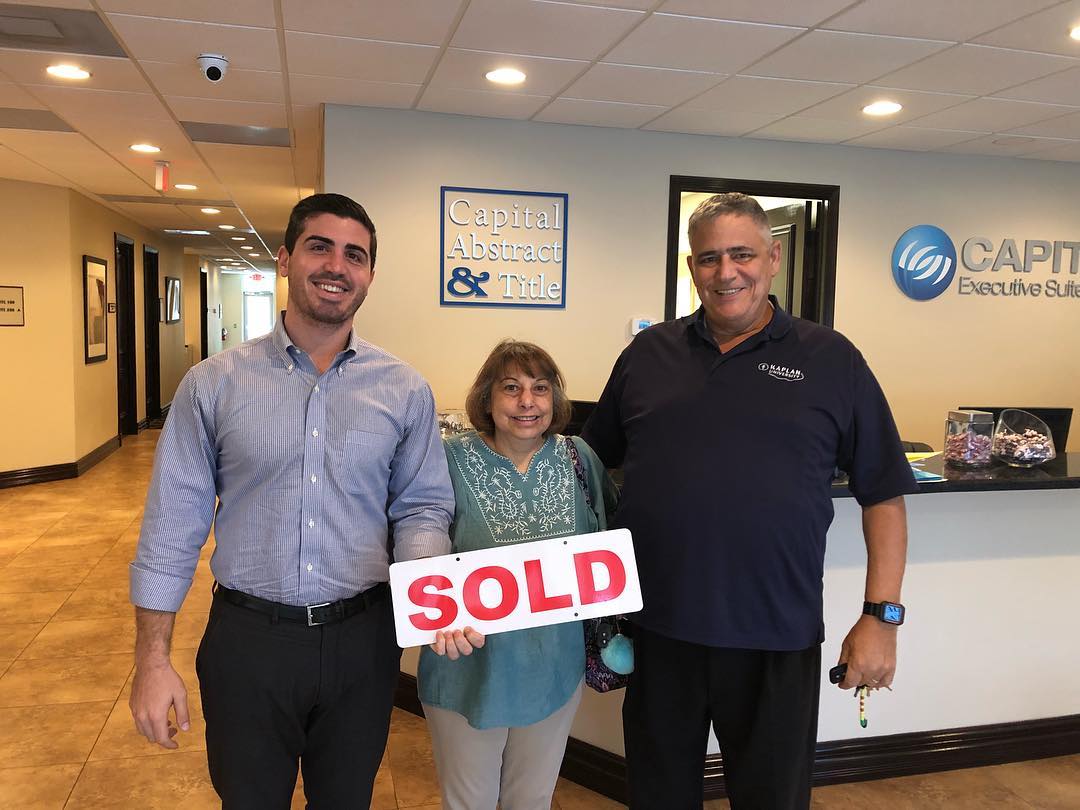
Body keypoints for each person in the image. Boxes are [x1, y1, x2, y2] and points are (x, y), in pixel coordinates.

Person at [128, 193, 469, 809]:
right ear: (285, 259)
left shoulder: (403, 389)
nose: (336, 265)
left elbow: (421, 507)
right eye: (320, 246)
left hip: (363, 643)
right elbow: (172, 525)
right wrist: (152, 660)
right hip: (249, 641)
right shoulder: (214, 384)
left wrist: (428, 585)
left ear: (369, 274)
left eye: (355, 255)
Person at [581, 193, 917, 809]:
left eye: (742, 254)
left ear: (775, 257)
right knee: (657, 797)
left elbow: (883, 494)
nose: (726, 271)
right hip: (659, 631)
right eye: (709, 258)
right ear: (691, 268)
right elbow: (583, 466)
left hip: (775, 635)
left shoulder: (831, 359)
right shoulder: (647, 355)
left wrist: (881, 618)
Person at [418, 340, 617, 810]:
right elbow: (416, 544)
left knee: (531, 798)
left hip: (553, 667)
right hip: (468, 669)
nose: (527, 402)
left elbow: (608, 536)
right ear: (488, 398)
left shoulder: (578, 458)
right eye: (512, 388)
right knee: (469, 802)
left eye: (540, 389)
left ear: (555, 400)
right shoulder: (447, 460)